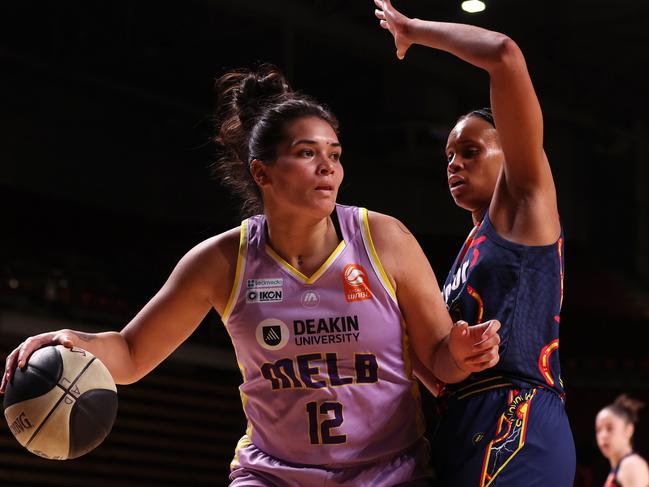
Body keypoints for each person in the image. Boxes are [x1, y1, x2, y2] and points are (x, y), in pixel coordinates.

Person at [1, 64, 501, 486]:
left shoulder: (383, 238)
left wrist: (459, 352)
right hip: (275, 475)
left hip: (387, 472)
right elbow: (131, 354)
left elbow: (440, 360)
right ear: (262, 173)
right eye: (307, 153)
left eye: (334, 154)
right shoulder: (223, 261)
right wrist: (76, 341)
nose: (327, 167)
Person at [374, 1, 576, 485]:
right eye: (448, 156)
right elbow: (438, 371)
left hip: (518, 415)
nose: (454, 164)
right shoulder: (466, 251)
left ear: (511, 152)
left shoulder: (526, 202)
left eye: (469, 151)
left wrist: (413, 30)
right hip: (459, 421)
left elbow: (504, 54)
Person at [596, 394, 649, 487]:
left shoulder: (631, 465)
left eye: (610, 428)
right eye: (598, 430)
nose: (603, 435)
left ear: (628, 430)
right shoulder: (618, 469)